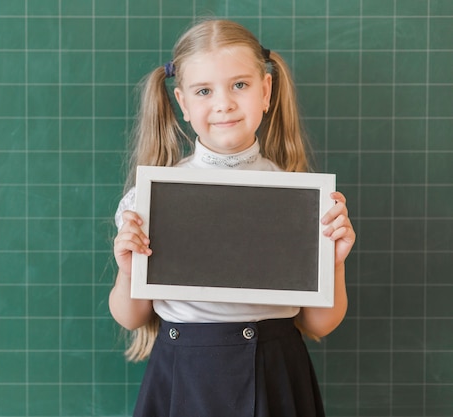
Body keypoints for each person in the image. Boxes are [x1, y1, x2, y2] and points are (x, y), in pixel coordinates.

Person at [109, 19, 355, 417]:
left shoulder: (304, 199)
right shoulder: (150, 200)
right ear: (183, 104)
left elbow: (320, 324)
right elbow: (132, 316)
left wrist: (336, 264)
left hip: (277, 373)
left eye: (239, 85)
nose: (223, 103)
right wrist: (127, 270)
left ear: (266, 92)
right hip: (183, 375)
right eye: (204, 91)